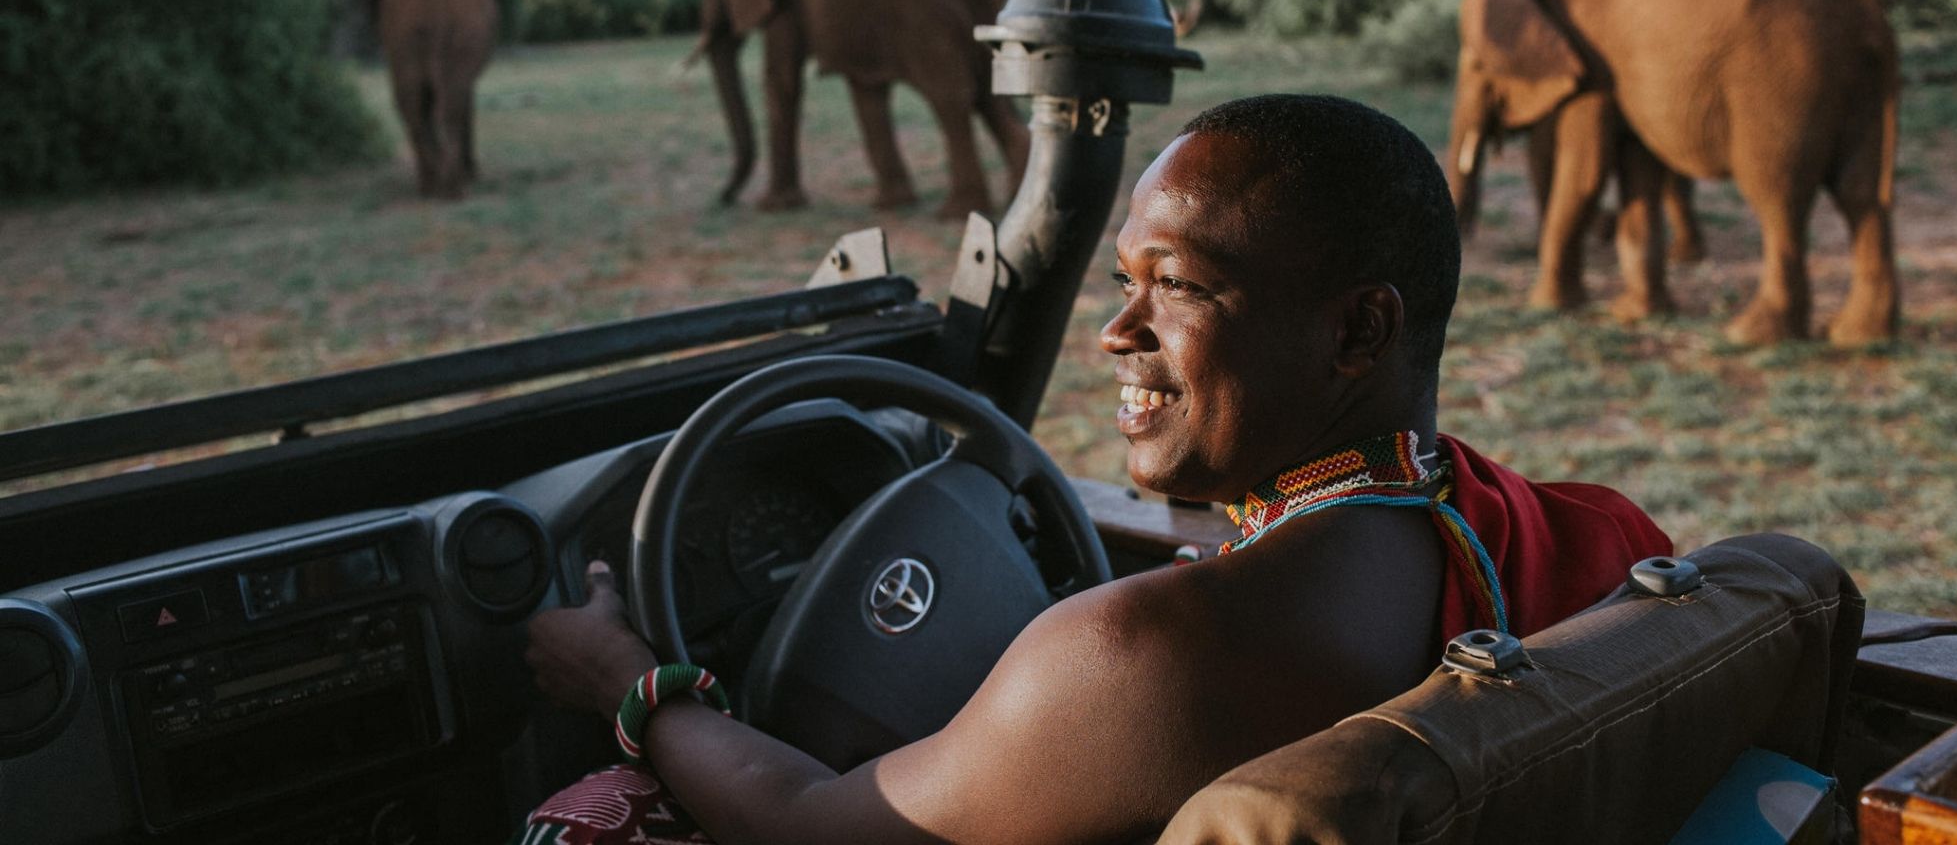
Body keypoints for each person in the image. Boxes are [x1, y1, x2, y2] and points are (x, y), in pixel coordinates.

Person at [521, 94, 1672, 844]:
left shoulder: (1149, 653)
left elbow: (809, 821)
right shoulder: (1533, 530)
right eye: (1121, 278)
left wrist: (632, 679)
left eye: (1177, 284)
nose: (1116, 331)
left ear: (1357, 336)